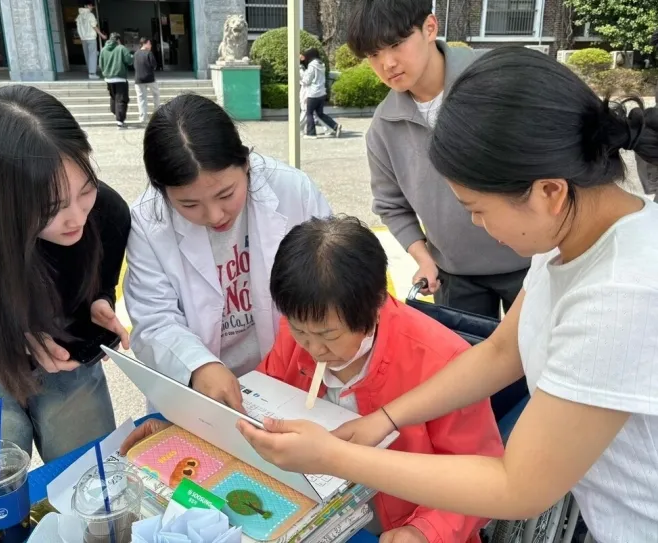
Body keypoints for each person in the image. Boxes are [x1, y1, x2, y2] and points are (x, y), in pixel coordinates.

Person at [238, 47, 658, 542]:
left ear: (549, 192)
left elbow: (518, 485)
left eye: (476, 208)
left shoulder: (620, 294)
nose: (474, 225)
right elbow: (503, 350)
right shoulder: (573, 235)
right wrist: (384, 420)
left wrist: (335, 456)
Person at [121, 215, 503, 543]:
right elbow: (254, 419)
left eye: (328, 336)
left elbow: (483, 473)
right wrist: (181, 433)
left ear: (374, 306)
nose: (312, 348)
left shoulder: (446, 362)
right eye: (300, 331)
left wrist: (425, 530)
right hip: (307, 514)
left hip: (398, 523)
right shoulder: (297, 334)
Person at [0, 85, 131, 507]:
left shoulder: (106, 212)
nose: (77, 217)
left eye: (85, 189)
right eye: (51, 206)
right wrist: (10, 337)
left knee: (95, 487)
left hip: (67, 359)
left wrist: (98, 302)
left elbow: (98, 280)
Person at [124, 94, 331, 412]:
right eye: (189, 205)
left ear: (246, 163)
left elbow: (330, 279)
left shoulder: (292, 191)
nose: (215, 215)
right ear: (161, 191)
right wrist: (198, 366)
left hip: (288, 378)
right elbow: (154, 320)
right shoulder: (148, 220)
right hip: (199, 391)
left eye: (226, 194)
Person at [348, 0, 530, 319]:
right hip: (454, 275)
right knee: (468, 364)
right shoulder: (383, 127)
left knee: (539, 362)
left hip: (533, 263)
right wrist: (424, 258)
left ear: (430, 27)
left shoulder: (498, 78)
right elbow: (391, 205)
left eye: (396, 44)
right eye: (374, 54)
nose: (387, 63)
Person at [301, 48, 342, 139]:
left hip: (313, 93)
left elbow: (307, 80)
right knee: (320, 114)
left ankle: (311, 134)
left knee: (309, 113)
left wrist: (301, 79)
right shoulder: (321, 64)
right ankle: (335, 126)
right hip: (322, 93)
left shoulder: (312, 65)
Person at [99, 32, 134, 129]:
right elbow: (129, 61)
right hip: (120, 78)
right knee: (121, 99)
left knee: (113, 97)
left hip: (108, 78)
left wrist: (106, 72)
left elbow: (101, 64)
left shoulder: (103, 49)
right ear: (118, 40)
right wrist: (132, 57)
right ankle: (120, 121)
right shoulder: (121, 48)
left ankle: (115, 112)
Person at [75, 0, 106, 79]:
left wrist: (81, 36)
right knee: (92, 55)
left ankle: (90, 71)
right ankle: (92, 73)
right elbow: (94, 26)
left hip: (83, 38)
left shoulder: (79, 16)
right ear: (88, 6)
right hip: (91, 38)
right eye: (92, 6)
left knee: (87, 55)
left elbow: (78, 28)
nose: (92, 7)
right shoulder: (90, 15)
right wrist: (102, 35)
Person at [134, 37, 161, 124]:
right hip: (150, 79)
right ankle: (157, 113)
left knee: (141, 98)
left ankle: (142, 118)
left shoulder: (136, 53)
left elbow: (134, 65)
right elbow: (154, 65)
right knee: (156, 94)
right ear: (144, 44)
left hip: (138, 80)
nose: (151, 45)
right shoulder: (149, 53)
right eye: (149, 43)